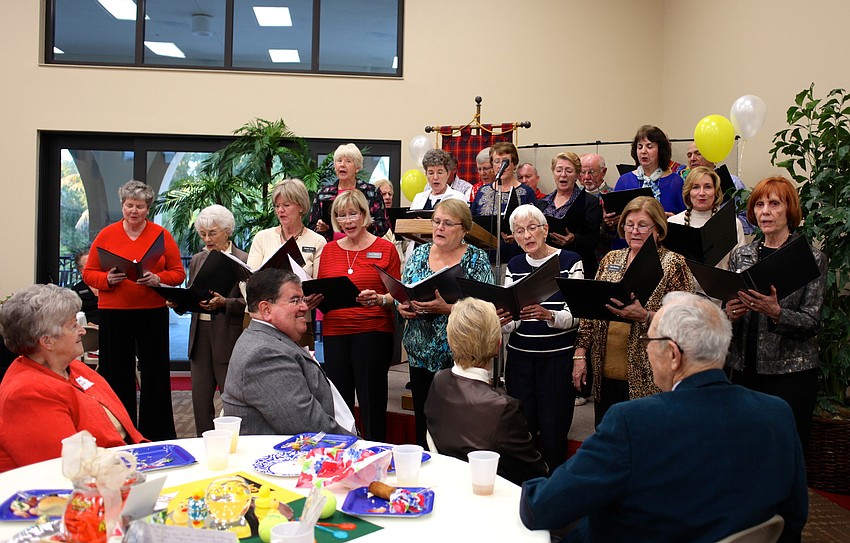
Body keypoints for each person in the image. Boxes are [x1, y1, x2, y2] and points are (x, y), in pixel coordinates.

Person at [520, 292, 807, 543]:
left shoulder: (633, 422)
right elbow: (793, 520)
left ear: (673, 354)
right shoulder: (776, 413)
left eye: (650, 339)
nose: (646, 348)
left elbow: (542, 508)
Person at [572, 196, 694, 425]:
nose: (634, 230)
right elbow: (590, 314)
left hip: (649, 376)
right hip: (605, 374)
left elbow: (685, 322)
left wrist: (646, 316)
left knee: (644, 446)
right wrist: (580, 355)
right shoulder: (611, 259)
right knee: (608, 442)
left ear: (658, 229)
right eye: (629, 224)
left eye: (642, 225)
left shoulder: (673, 263)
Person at [724, 176, 827, 450]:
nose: (765, 211)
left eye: (774, 204)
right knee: (746, 448)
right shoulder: (741, 255)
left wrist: (777, 312)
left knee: (786, 450)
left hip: (790, 373)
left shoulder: (811, 258)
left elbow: (812, 322)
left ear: (789, 209)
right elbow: (729, 310)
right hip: (744, 369)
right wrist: (729, 313)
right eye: (759, 204)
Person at [0, 284, 146, 472]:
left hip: (124, 467)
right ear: (47, 341)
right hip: (84, 489)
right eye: (73, 325)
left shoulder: (75, 368)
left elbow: (125, 434)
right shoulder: (26, 393)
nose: (82, 331)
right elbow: (63, 471)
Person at [82, 180, 185, 440]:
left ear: (148, 208)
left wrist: (158, 279)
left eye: (139, 206)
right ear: (123, 206)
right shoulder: (107, 235)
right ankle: (120, 432)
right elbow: (88, 273)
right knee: (116, 373)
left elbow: (178, 273)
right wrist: (107, 280)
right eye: (129, 205)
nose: (134, 210)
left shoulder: (161, 235)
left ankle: (158, 432)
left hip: (152, 310)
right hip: (114, 311)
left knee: (155, 374)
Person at [398, 199, 494, 446]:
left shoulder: (476, 259)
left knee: (457, 423)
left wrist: (448, 309)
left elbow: (486, 311)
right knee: (423, 417)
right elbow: (406, 291)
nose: (439, 227)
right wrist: (404, 307)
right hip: (419, 352)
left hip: (459, 356)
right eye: (437, 221)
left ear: (464, 229)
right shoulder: (419, 253)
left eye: (448, 223)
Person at [425, 298, 548, 485]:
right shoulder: (504, 408)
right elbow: (535, 474)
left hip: (444, 485)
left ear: (450, 340)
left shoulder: (439, 380)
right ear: (498, 344)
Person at [221, 269, 355, 436]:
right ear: (266, 309)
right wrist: (360, 445)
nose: (305, 307)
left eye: (303, 299)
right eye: (295, 300)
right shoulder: (264, 354)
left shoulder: (271, 339)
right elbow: (307, 426)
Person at [500, 204, 584, 470]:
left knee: (554, 429)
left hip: (556, 360)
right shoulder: (514, 264)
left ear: (545, 230)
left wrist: (549, 316)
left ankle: (554, 489)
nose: (527, 236)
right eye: (519, 231)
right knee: (523, 429)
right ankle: (524, 488)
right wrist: (503, 320)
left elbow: (580, 315)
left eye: (532, 228)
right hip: (520, 359)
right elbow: (510, 317)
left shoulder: (570, 261)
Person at [317, 189, 401, 441]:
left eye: (353, 214)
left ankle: (376, 453)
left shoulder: (386, 249)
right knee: (340, 404)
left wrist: (380, 299)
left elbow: (399, 295)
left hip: (373, 332)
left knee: (371, 401)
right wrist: (313, 298)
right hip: (335, 333)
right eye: (341, 216)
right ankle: (341, 456)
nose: (348, 221)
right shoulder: (329, 250)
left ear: (364, 215)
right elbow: (323, 291)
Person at [185, 204, 248, 435]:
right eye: (203, 233)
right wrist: (179, 301)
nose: (207, 239)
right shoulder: (197, 259)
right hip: (200, 334)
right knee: (200, 401)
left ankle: (235, 444)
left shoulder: (243, 259)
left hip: (228, 335)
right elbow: (193, 294)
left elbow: (250, 303)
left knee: (232, 400)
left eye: (212, 233)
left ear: (227, 231)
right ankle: (203, 444)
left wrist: (226, 303)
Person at [668, 166, 746, 273]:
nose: (701, 193)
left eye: (708, 187)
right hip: (682, 289)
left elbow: (740, 266)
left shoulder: (732, 223)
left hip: (720, 288)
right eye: (695, 187)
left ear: (716, 191)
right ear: (688, 192)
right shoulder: (673, 223)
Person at [537, 152, 602, 277]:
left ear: (578, 175)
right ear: (553, 173)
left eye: (569, 171)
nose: (563, 175)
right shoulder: (542, 203)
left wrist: (574, 238)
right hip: (547, 266)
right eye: (559, 170)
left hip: (578, 266)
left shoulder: (590, 202)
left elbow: (593, 239)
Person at [471, 142, 538, 262]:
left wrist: (519, 235)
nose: (501, 165)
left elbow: (535, 225)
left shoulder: (526, 192)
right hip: (484, 256)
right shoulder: (482, 191)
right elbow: (472, 221)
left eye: (505, 161)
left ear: (514, 164)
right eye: (496, 161)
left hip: (515, 255)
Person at [308, 143, 389, 241]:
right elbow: (311, 227)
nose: (342, 165)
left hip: (363, 247)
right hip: (332, 248)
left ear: (357, 167)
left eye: (348, 161)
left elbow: (383, 225)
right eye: (339, 161)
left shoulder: (371, 192)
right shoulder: (323, 194)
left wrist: (364, 224)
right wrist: (320, 228)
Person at [248, 178, 326, 279]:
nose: (280, 210)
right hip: (265, 294)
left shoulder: (317, 241)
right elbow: (248, 280)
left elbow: (317, 286)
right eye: (277, 206)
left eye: (286, 205)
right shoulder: (262, 238)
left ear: (301, 207)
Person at [611, 125, 685, 217]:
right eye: (640, 147)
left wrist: (671, 219)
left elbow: (685, 219)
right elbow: (613, 216)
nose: (643, 151)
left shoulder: (676, 182)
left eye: (649, 147)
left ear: (660, 150)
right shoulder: (624, 180)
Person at [685, 142, 754, 234]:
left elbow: (748, 220)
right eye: (689, 155)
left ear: (712, 156)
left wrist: (728, 226)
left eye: (698, 154)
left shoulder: (733, 182)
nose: (692, 159)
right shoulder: (684, 183)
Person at [71, 249, 99, 325]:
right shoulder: (76, 291)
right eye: (90, 264)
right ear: (81, 269)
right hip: (88, 330)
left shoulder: (109, 286)